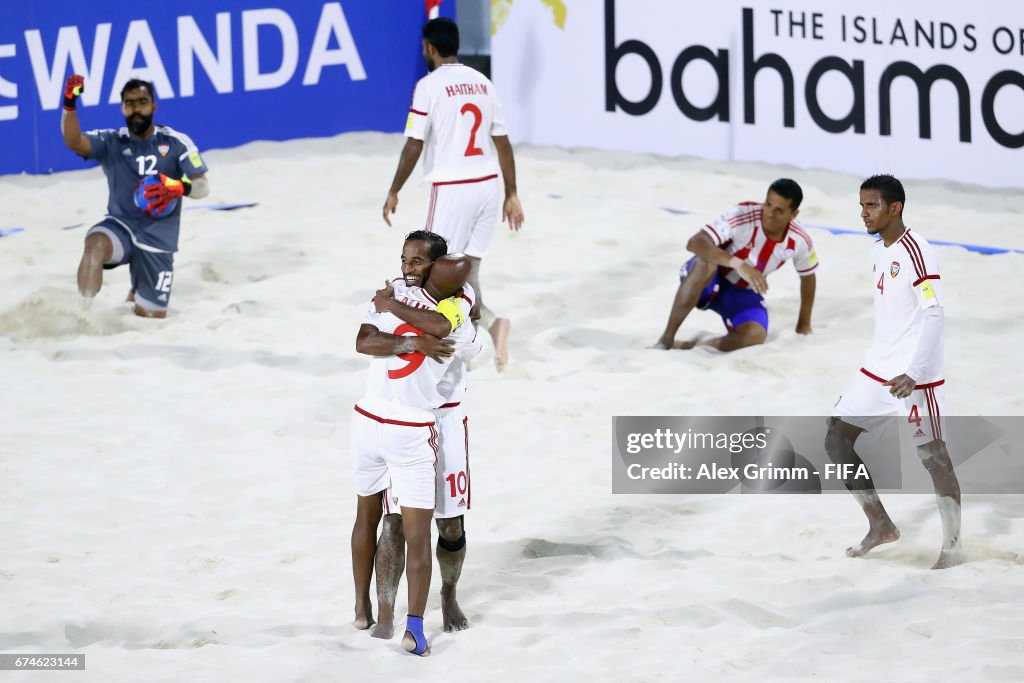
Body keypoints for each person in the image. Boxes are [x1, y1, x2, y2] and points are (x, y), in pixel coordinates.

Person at [825, 174, 962, 570]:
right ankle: (880, 525)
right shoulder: (876, 250)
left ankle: (953, 548)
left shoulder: (917, 251)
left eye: (871, 206)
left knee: (934, 457)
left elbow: (934, 314)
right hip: (877, 368)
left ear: (895, 207)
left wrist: (915, 372)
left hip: (915, 374)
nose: (864, 213)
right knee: (836, 439)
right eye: (862, 205)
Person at [350, 234, 474, 656]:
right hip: (402, 419)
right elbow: (365, 341)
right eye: (405, 259)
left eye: (418, 261)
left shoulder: (459, 296)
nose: (408, 267)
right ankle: (387, 613)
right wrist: (400, 323)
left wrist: (389, 308)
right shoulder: (395, 290)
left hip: (445, 416)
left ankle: (449, 595)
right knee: (396, 521)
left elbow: (439, 326)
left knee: (450, 524)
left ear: (438, 267)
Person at [382, 17, 525, 372]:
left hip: (452, 189)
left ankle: (468, 339)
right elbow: (502, 142)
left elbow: (414, 144)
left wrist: (394, 189)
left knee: (434, 272)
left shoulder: (429, 86)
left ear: (429, 48)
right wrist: (512, 193)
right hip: (489, 184)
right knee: (468, 268)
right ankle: (487, 330)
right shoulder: (482, 82)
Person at [61, 76, 210, 318]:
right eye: (129, 103)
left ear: (154, 106)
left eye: (142, 102)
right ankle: (82, 316)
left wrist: (176, 186)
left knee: (150, 317)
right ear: (122, 108)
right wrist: (69, 104)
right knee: (95, 244)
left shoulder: (175, 142)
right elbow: (73, 141)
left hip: (158, 238)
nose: (136, 109)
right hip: (121, 226)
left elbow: (202, 186)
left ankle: (138, 288)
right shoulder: (112, 141)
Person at [651, 179, 817, 351]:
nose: (769, 213)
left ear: (793, 214)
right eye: (767, 204)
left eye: (779, 210)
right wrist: (738, 264)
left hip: (741, 291)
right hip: (708, 279)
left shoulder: (800, 240)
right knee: (705, 264)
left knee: (755, 335)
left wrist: (803, 325)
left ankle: (693, 346)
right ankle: (666, 339)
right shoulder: (742, 214)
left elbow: (808, 276)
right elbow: (695, 242)